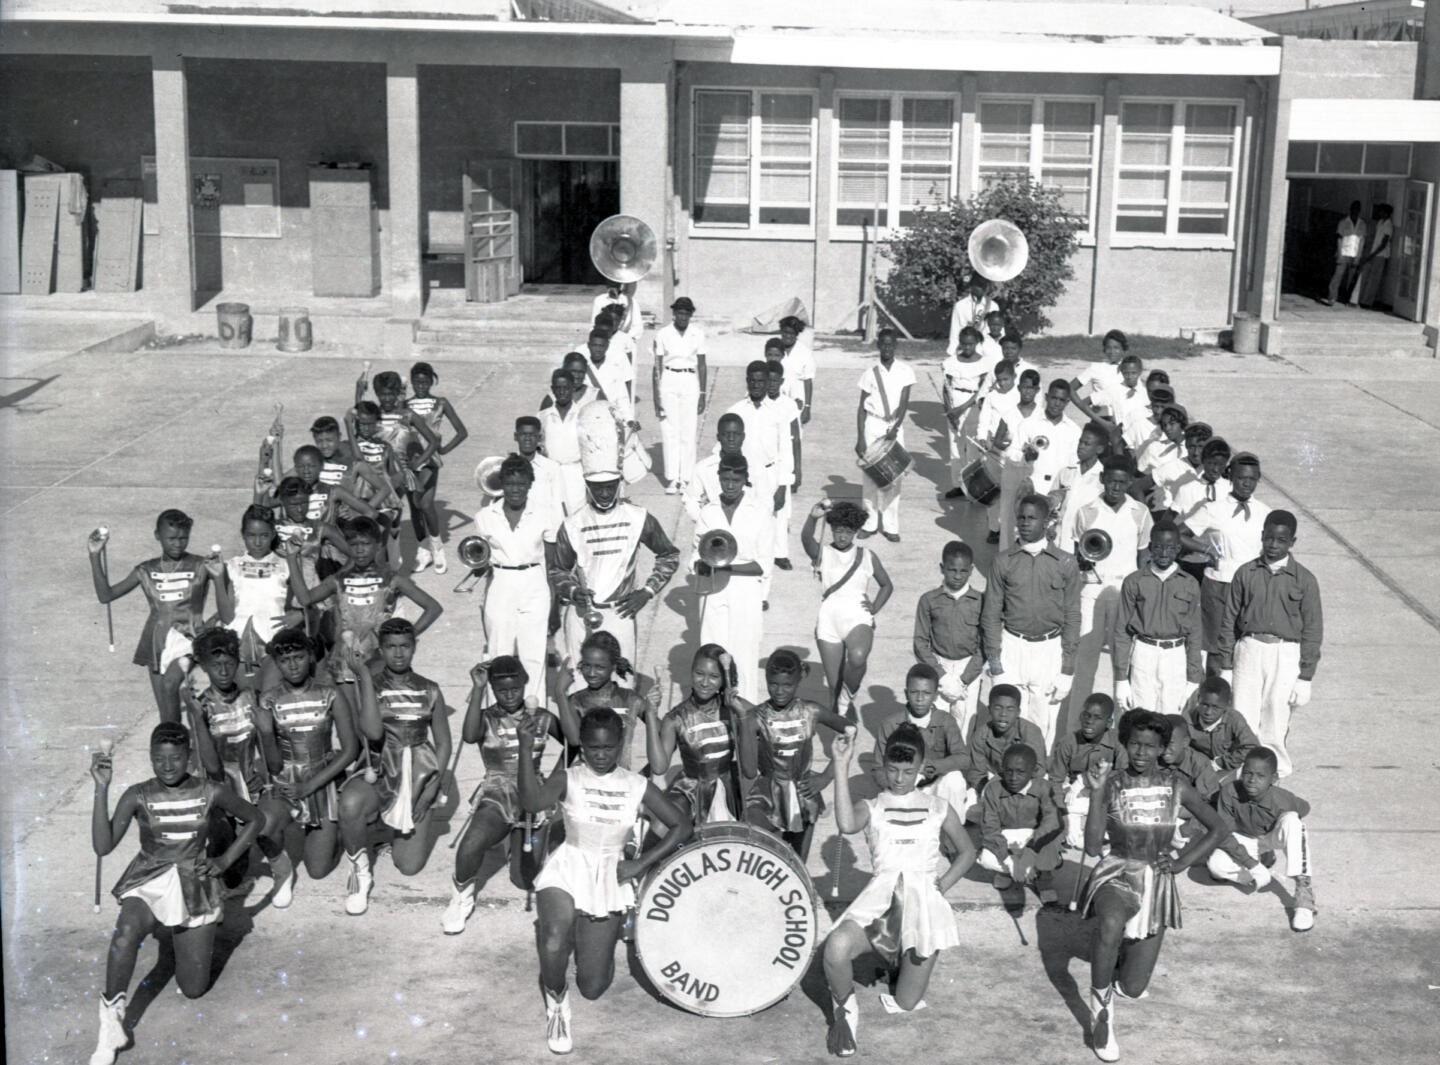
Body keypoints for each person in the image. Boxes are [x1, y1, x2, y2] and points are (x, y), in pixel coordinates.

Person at [519, 707, 692, 1054]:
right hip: (568, 867)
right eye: (593, 748)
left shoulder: (636, 785)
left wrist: (640, 864)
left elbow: (681, 826)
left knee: (593, 987)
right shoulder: (569, 778)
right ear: (581, 745)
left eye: (609, 747)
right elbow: (531, 800)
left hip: (612, 877)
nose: (601, 755)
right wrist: (525, 747)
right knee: (553, 940)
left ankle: (596, 937)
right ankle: (556, 1005)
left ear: (621, 743)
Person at [87, 723, 262, 1065]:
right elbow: (103, 845)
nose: (167, 766)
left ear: (189, 757)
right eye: (158, 759)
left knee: (193, 989)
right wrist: (101, 790)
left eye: (176, 758)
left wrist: (224, 860)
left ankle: (182, 939)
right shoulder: (138, 794)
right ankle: (110, 1025)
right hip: (148, 878)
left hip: (193, 883)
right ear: (150, 758)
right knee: (125, 934)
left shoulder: (210, 791)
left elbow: (255, 819)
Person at [1079, 709, 1227, 1062]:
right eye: (1134, 744)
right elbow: (1090, 846)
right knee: (1112, 924)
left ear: (1162, 748)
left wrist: (1180, 863)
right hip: (1116, 872)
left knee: (1133, 988)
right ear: (1125, 744)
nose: (1141, 753)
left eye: (1150, 746)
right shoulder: (1112, 782)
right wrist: (1097, 794)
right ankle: (1100, 1012)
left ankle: (1116, 965)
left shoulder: (1177, 785)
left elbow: (1219, 829)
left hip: (1157, 883)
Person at [822, 725, 975, 1056]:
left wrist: (941, 887)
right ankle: (846, 1012)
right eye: (893, 770)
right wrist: (840, 763)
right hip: (879, 903)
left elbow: (968, 852)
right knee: (835, 948)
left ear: (921, 767)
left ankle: (898, 962)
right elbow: (847, 824)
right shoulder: (874, 805)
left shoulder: (938, 806)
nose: (900, 778)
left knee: (906, 1002)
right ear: (883, 767)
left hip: (922, 909)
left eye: (909, 771)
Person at [443, 656, 566, 936]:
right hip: (498, 791)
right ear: (493, 690)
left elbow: (573, 744)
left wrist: (555, 781)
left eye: (515, 688)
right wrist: (477, 689)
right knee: (471, 843)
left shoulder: (542, 717)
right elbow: (469, 736)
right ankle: (461, 896)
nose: (509, 695)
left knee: (525, 881)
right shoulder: (487, 717)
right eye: (501, 690)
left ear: (525, 683)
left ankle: (515, 843)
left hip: (532, 792)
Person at [338, 617, 452, 916]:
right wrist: (362, 675)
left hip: (417, 775)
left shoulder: (430, 689)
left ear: (415, 647)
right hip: (380, 767)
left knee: (408, 866)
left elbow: (443, 743)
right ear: (382, 649)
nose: (398, 654)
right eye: (390, 647)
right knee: (350, 802)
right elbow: (373, 733)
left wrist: (431, 789)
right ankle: (361, 873)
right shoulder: (372, 685)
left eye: (405, 646)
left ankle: (387, 829)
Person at [279, 516, 442, 722]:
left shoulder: (392, 579)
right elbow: (305, 598)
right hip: (344, 661)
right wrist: (292, 559)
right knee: (355, 721)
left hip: (378, 660)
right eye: (354, 545)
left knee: (380, 720)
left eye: (365, 544)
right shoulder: (338, 580)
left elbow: (433, 608)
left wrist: (405, 637)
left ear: (378, 545)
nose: (360, 550)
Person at [550, 426, 679, 675]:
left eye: (610, 486)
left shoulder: (638, 517)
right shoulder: (572, 524)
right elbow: (557, 570)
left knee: (621, 688)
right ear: (587, 485)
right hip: (581, 615)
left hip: (620, 614)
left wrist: (648, 591)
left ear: (619, 483)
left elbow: (669, 555)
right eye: (598, 487)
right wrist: (573, 590)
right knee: (580, 687)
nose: (605, 493)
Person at [87, 510, 228, 724]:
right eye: (171, 538)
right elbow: (106, 595)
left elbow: (229, 598)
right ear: (157, 536)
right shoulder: (145, 569)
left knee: (175, 686)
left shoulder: (202, 565)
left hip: (191, 639)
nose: (178, 544)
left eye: (183, 538)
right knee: (166, 713)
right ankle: (178, 748)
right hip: (157, 643)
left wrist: (213, 620)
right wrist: (95, 555)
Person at [255, 626, 357, 908]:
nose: (293, 665)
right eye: (285, 661)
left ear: (311, 656)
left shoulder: (330, 694)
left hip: (321, 780)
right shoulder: (268, 700)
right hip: (285, 779)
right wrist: (265, 733)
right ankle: (282, 868)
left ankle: (334, 832)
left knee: (318, 870)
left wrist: (310, 786)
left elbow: (350, 750)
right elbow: (273, 765)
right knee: (264, 825)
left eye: (299, 657)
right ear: (276, 663)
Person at [1214, 510, 1322, 778]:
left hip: (1285, 653)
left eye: (1281, 540)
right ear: (1262, 537)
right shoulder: (1245, 573)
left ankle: (1275, 771)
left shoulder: (1305, 580)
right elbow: (1229, 621)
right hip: (1249, 649)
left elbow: (1313, 629)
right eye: (1269, 539)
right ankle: (1241, 769)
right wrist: (1226, 665)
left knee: (1276, 713)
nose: (1274, 545)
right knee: (1243, 713)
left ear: (1292, 542)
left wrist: (1305, 676)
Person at [182, 628, 285, 897]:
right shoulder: (200, 705)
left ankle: (280, 865)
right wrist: (196, 720)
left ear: (238, 662)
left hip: (252, 781)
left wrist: (265, 731)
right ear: (203, 667)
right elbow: (213, 768)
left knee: (267, 821)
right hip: (220, 788)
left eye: (230, 663)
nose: (224, 671)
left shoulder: (252, 697)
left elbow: (271, 761)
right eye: (216, 665)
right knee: (231, 874)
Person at [981, 495, 1081, 750]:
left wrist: (1067, 667)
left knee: (1042, 721)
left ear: (1047, 522)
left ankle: (1038, 777)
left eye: (1032, 518)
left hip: (1049, 650)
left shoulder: (1066, 563)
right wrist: (995, 660)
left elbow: (1072, 615)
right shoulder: (1003, 561)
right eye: (1021, 517)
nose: (1025, 523)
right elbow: (991, 613)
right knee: (1007, 720)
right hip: (1012, 646)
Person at [743, 649, 854, 855]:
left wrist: (827, 777)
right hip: (767, 794)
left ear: (798, 681)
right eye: (773, 684)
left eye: (787, 685)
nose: (779, 691)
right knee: (756, 850)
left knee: (796, 863)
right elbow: (748, 768)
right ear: (766, 679)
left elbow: (850, 730)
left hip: (803, 794)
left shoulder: (811, 711)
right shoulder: (755, 717)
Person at [473, 455, 558, 705]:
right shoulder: (484, 516)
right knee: (498, 651)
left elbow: (552, 564)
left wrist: (554, 603)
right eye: (510, 484)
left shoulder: (545, 514)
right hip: (501, 581)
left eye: (521, 484)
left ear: (530, 485)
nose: (515, 490)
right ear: (502, 484)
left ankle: (536, 712)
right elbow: (480, 560)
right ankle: (494, 717)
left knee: (533, 654)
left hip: (534, 582)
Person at [1207, 747, 1316, 932]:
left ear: (1273, 779)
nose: (1251, 780)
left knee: (1293, 821)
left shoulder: (1283, 799)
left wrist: (1283, 827)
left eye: (1260, 776)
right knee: (1215, 866)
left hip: (1270, 837)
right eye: (1248, 773)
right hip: (1243, 839)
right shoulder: (1229, 791)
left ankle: (1304, 896)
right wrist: (1252, 864)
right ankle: (1258, 869)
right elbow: (1224, 833)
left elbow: (1304, 807)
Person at [646, 645, 757, 825]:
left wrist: (741, 715)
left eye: (714, 677)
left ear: (723, 680)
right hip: (690, 790)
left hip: (729, 787)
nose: (705, 683)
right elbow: (659, 767)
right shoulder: (675, 718)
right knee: (660, 825)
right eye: (699, 673)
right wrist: (650, 714)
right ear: (691, 673)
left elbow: (751, 770)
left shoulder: (736, 708)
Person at [802, 500, 893, 720]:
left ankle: (846, 699)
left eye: (848, 531)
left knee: (858, 657)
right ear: (832, 529)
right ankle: (840, 726)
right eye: (838, 531)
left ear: (856, 531)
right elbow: (806, 540)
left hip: (858, 616)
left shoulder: (867, 555)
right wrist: (813, 518)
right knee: (834, 685)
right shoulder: (823, 553)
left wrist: (874, 607)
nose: (842, 536)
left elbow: (886, 585)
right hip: (828, 618)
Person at [1181, 452, 1271, 673]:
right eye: (1242, 478)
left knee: (1248, 647)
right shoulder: (1213, 509)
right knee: (1216, 649)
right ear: (1231, 476)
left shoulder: (1265, 512)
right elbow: (1179, 534)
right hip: (1219, 585)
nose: (1247, 484)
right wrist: (1206, 550)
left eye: (1252, 479)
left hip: (1253, 586)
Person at [692, 454, 769, 702]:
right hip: (713, 589)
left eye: (736, 480)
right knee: (712, 653)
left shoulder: (760, 512)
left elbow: (762, 565)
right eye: (725, 479)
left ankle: (745, 714)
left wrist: (727, 567)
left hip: (746, 591)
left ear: (745, 479)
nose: (730, 485)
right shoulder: (708, 511)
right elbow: (697, 551)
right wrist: (700, 564)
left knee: (744, 656)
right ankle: (712, 710)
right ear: (719, 479)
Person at [1112, 521, 1202, 716]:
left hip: (1175, 656)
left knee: (1172, 718)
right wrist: (1121, 679)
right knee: (1142, 718)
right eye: (1158, 547)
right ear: (1150, 547)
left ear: (1178, 549)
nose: (1163, 553)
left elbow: (1195, 633)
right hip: (1144, 653)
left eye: (1170, 548)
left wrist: (1193, 679)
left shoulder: (1190, 583)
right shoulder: (1134, 581)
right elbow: (1121, 631)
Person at [874, 664, 970, 819]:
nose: (919, 699)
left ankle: (953, 834)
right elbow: (878, 768)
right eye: (914, 692)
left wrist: (934, 766)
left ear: (936, 696)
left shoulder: (945, 720)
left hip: (935, 784)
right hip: (902, 786)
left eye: (926, 693)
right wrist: (895, 787)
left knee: (955, 780)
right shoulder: (890, 724)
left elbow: (964, 758)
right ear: (906, 693)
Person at [912, 539, 985, 738]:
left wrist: (964, 680)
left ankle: (959, 766)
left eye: (963, 571)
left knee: (965, 722)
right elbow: (920, 642)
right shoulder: (929, 600)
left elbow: (984, 646)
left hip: (968, 669)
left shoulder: (981, 602)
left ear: (971, 570)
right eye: (952, 570)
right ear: (942, 568)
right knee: (934, 722)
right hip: (938, 667)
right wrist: (942, 676)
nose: (957, 576)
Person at [222, 505, 299, 691]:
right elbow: (226, 613)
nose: (257, 542)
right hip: (239, 644)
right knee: (245, 701)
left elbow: (306, 599)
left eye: (264, 535)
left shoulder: (286, 564)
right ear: (243, 534)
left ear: (273, 534)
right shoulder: (231, 566)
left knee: (270, 698)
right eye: (251, 535)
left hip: (275, 642)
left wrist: (301, 615)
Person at [725, 359, 788, 582]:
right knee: (742, 528)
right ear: (747, 381)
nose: (757, 385)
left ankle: (763, 588)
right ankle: (740, 578)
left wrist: (782, 486)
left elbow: (785, 451)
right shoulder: (735, 410)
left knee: (767, 532)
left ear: (767, 382)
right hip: (743, 477)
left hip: (769, 477)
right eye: (752, 381)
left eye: (761, 381)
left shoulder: (778, 412)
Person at [405, 361, 469, 573]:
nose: (421, 386)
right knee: (414, 507)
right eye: (417, 382)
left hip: (430, 459)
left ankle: (437, 546)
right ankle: (423, 550)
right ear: (412, 382)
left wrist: (444, 449)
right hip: (409, 459)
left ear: (431, 381)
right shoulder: (405, 405)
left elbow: (461, 431)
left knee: (424, 502)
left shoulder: (441, 402)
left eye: (425, 382)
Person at [551, 630, 649, 769]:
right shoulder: (576, 701)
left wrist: (645, 774)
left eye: (600, 667)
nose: (591, 673)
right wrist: (560, 693)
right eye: (586, 665)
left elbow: (667, 735)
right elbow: (573, 741)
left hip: (622, 781)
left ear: (614, 666)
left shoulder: (631, 699)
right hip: (586, 782)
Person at [976, 743, 1062, 901]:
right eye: (1008, 771)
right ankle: (1006, 872)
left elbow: (1052, 822)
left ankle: (1044, 879)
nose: (1013, 778)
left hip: (1034, 838)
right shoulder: (992, 789)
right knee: (986, 857)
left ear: (1034, 772)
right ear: (1002, 769)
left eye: (1021, 772)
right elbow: (990, 828)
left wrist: (1031, 852)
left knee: (1050, 844)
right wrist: (1010, 862)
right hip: (1007, 838)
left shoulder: (1045, 787)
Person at [854, 329, 915, 542]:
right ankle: (869, 524)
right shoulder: (869, 374)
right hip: (873, 424)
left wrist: (896, 427)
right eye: (883, 344)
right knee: (870, 476)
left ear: (895, 346)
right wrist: (860, 437)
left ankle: (890, 526)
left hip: (894, 427)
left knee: (894, 476)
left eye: (891, 345)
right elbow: (861, 407)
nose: (887, 348)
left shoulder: (905, 371)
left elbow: (905, 402)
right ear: (878, 346)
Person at [1047, 693, 1123, 852]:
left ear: (1108, 722)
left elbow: (1124, 773)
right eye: (1086, 715)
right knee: (1063, 823)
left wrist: (1094, 780)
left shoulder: (1117, 741)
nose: (1089, 721)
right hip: (1076, 794)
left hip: (1105, 794)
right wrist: (1064, 815)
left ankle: (1106, 841)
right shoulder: (1068, 742)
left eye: (1097, 717)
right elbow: (1055, 780)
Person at [961, 684, 1045, 819]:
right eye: (997, 708)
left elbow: (1038, 770)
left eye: (1010, 709)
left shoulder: (1031, 732)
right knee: (965, 811)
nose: (1003, 715)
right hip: (993, 783)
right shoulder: (981, 734)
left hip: (1024, 782)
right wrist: (990, 792)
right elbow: (976, 773)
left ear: (1018, 712)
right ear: (989, 709)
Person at [651, 296, 707, 495]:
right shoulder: (663, 334)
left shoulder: (697, 334)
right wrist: (656, 396)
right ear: (674, 314)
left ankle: (687, 478)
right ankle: (673, 478)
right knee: (670, 430)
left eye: (686, 313)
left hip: (690, 381)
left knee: (688, 431)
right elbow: (657, 366)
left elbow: (701, 364)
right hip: (669, 380)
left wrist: (702, 393)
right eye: (679, 313)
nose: (683, 317)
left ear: (691, 315)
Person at [985, 367, 1039, 548]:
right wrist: (1010, 445)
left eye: (1031, 388)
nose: (1027, 392)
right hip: (1012, 467)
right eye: (1024, 387)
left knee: (1033, 511)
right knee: (1008, 511)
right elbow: (997, 442)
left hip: (1034, 469)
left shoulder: (1042, 415)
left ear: (1037, 390)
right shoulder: (1009, 414)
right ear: (1019, 388)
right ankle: (1005, 552)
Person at [683, 413, 765, 525]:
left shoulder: (756, 466)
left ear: (743, 437)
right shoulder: (703, 468)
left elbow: (766, 500)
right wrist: (704, 521)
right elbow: (690, 499)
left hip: (749, 525)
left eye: (736, 434)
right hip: (715, 528)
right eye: (726, 434)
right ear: (718, 437)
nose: (731, 439)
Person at [939, 326, 990, 500]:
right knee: (955, 447)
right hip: (954, 404)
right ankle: (958, 484)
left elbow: (981, 390)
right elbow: (946, 388)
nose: (967, 348)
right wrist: (949, 411)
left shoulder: (984, 363)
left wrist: (962, 409)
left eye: (971, 344)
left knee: (973, 447)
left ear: (977, 343)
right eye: (964, 344)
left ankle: (973, 486)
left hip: (972, 405)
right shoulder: (951, 362)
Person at [974, 359, 1021, 545]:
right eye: (999, 380)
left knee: (1012, 490)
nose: (1002, 383)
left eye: (1006, 379)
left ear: (1014, 377)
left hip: (1013, 447)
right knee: (993, 489)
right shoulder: (991, 396)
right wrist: (981, 436)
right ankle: (994, 528)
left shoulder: (1019, 395)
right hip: (993, 446)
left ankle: (1011, 529)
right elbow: (984, 418)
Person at [765, 359, 803, 570]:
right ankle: (761, 551)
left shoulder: (788, 405)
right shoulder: (757, 402)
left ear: (782, 381)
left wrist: (798, 468)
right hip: (763, 464)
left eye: (775, 381)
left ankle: (780, 553)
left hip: (783, 464)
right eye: (767, 380)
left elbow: (796, 438)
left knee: (781, 510)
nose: (771, 384)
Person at [1016, 380, 1081, 503]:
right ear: (1046, 397)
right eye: (1054, 398)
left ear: (1067, 402)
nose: (1056, 404)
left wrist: (1064, 492)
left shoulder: (1075, 431)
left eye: (1062, 400)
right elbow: (1012, 454)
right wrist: (1025, 456)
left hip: (1058, 492)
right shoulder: (1028, 424)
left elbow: (1075, 465)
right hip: (1032, 486)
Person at [538, 367, 592, 515]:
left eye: (566, 388)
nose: (562, 392)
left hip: (576, 473)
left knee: (578, 515)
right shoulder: (543, 416)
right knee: (553, 515)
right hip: (551, 473)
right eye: (558, 388)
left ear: (572, 388)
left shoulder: (583, 414)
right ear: (552, 389)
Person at [1183, 675, 1257, 780]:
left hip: (1227, 769)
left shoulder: (1234, 719)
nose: (1208, 712)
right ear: (1198, 698)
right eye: (1204, 704)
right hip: (1198, 768)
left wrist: (1221, 762)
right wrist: (1199, 763)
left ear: (1227, 705)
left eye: (1215, 707)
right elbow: (1181, 747)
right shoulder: (1187, 719)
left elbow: (1252, 747)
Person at [1049, 421, 1110, 547]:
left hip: (1083, 544)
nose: (1081, 446)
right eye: (1080, 442)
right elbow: (1051, 503)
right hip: (1057, 540)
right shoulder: (1066, 472)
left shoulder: (1103, 478)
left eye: (1086, 444)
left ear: (1099, 449)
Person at [512, 414, 565, 527]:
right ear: (515, 436)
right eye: (523, 434)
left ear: (539, 437)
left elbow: (557, 506)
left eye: (532, 435)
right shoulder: (507, 466)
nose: (527, 439)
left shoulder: (552, 468)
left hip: (543, 527)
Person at [1322, 199, 1366, 306]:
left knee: (1351, 279)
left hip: (1354, 254)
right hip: (1344, 252)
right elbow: (1339, 238)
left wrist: (1358, 256)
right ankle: (1332, 298)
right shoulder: (1343, 222)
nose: (1355, 211)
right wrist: (1340, 254)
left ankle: (1348, 300)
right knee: (1337, 277)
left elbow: (1362, 241)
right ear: (1350, 209)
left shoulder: (1362, 224)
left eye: (1358, 209)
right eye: (1354, 209)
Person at [776, 315, 817, 426]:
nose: (787, 336)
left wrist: (807, 407)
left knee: (795, 435)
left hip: (797, 401)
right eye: (785, 332)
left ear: (796, 334)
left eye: (791, 333)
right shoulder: (775, 349)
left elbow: (808, 381)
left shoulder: (805, 353)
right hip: (776, 398)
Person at [946, 273, 999, 357]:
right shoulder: (960, 306)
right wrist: (953, 354)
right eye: (979, 284)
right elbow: (955, 332)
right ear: (971, 285)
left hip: (988, 351)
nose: (983, 288)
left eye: (985, 285)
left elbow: (1000, 333)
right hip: (967, 350)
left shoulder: (993, 306)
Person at [1351, 203, 1393, 308]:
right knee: (1366, 276)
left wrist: (1372, 255)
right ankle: (1361, 299)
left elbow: (1383, 244)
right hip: (1373, 253)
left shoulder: (1389, 225)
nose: (1380, 213)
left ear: (1387, 213)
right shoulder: (1380, 222)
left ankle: (1367, 302)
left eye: (1382, 211)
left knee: (1374, 279)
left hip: (1380, 255)